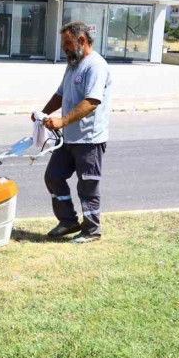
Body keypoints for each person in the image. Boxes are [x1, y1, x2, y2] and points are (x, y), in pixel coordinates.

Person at [34, 22, 112, 243]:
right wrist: (42, 113)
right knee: (53, 176)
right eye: (64, 44)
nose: (65, 49)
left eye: (68, 43)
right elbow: (60, 94)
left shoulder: (96, 66)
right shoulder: (73, 64)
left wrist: (62, 120)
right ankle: (68, 220)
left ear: (82, 41)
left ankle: (91, 230)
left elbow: (91, 101)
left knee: (87, 184)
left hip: (89, 139)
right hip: (69, 137)